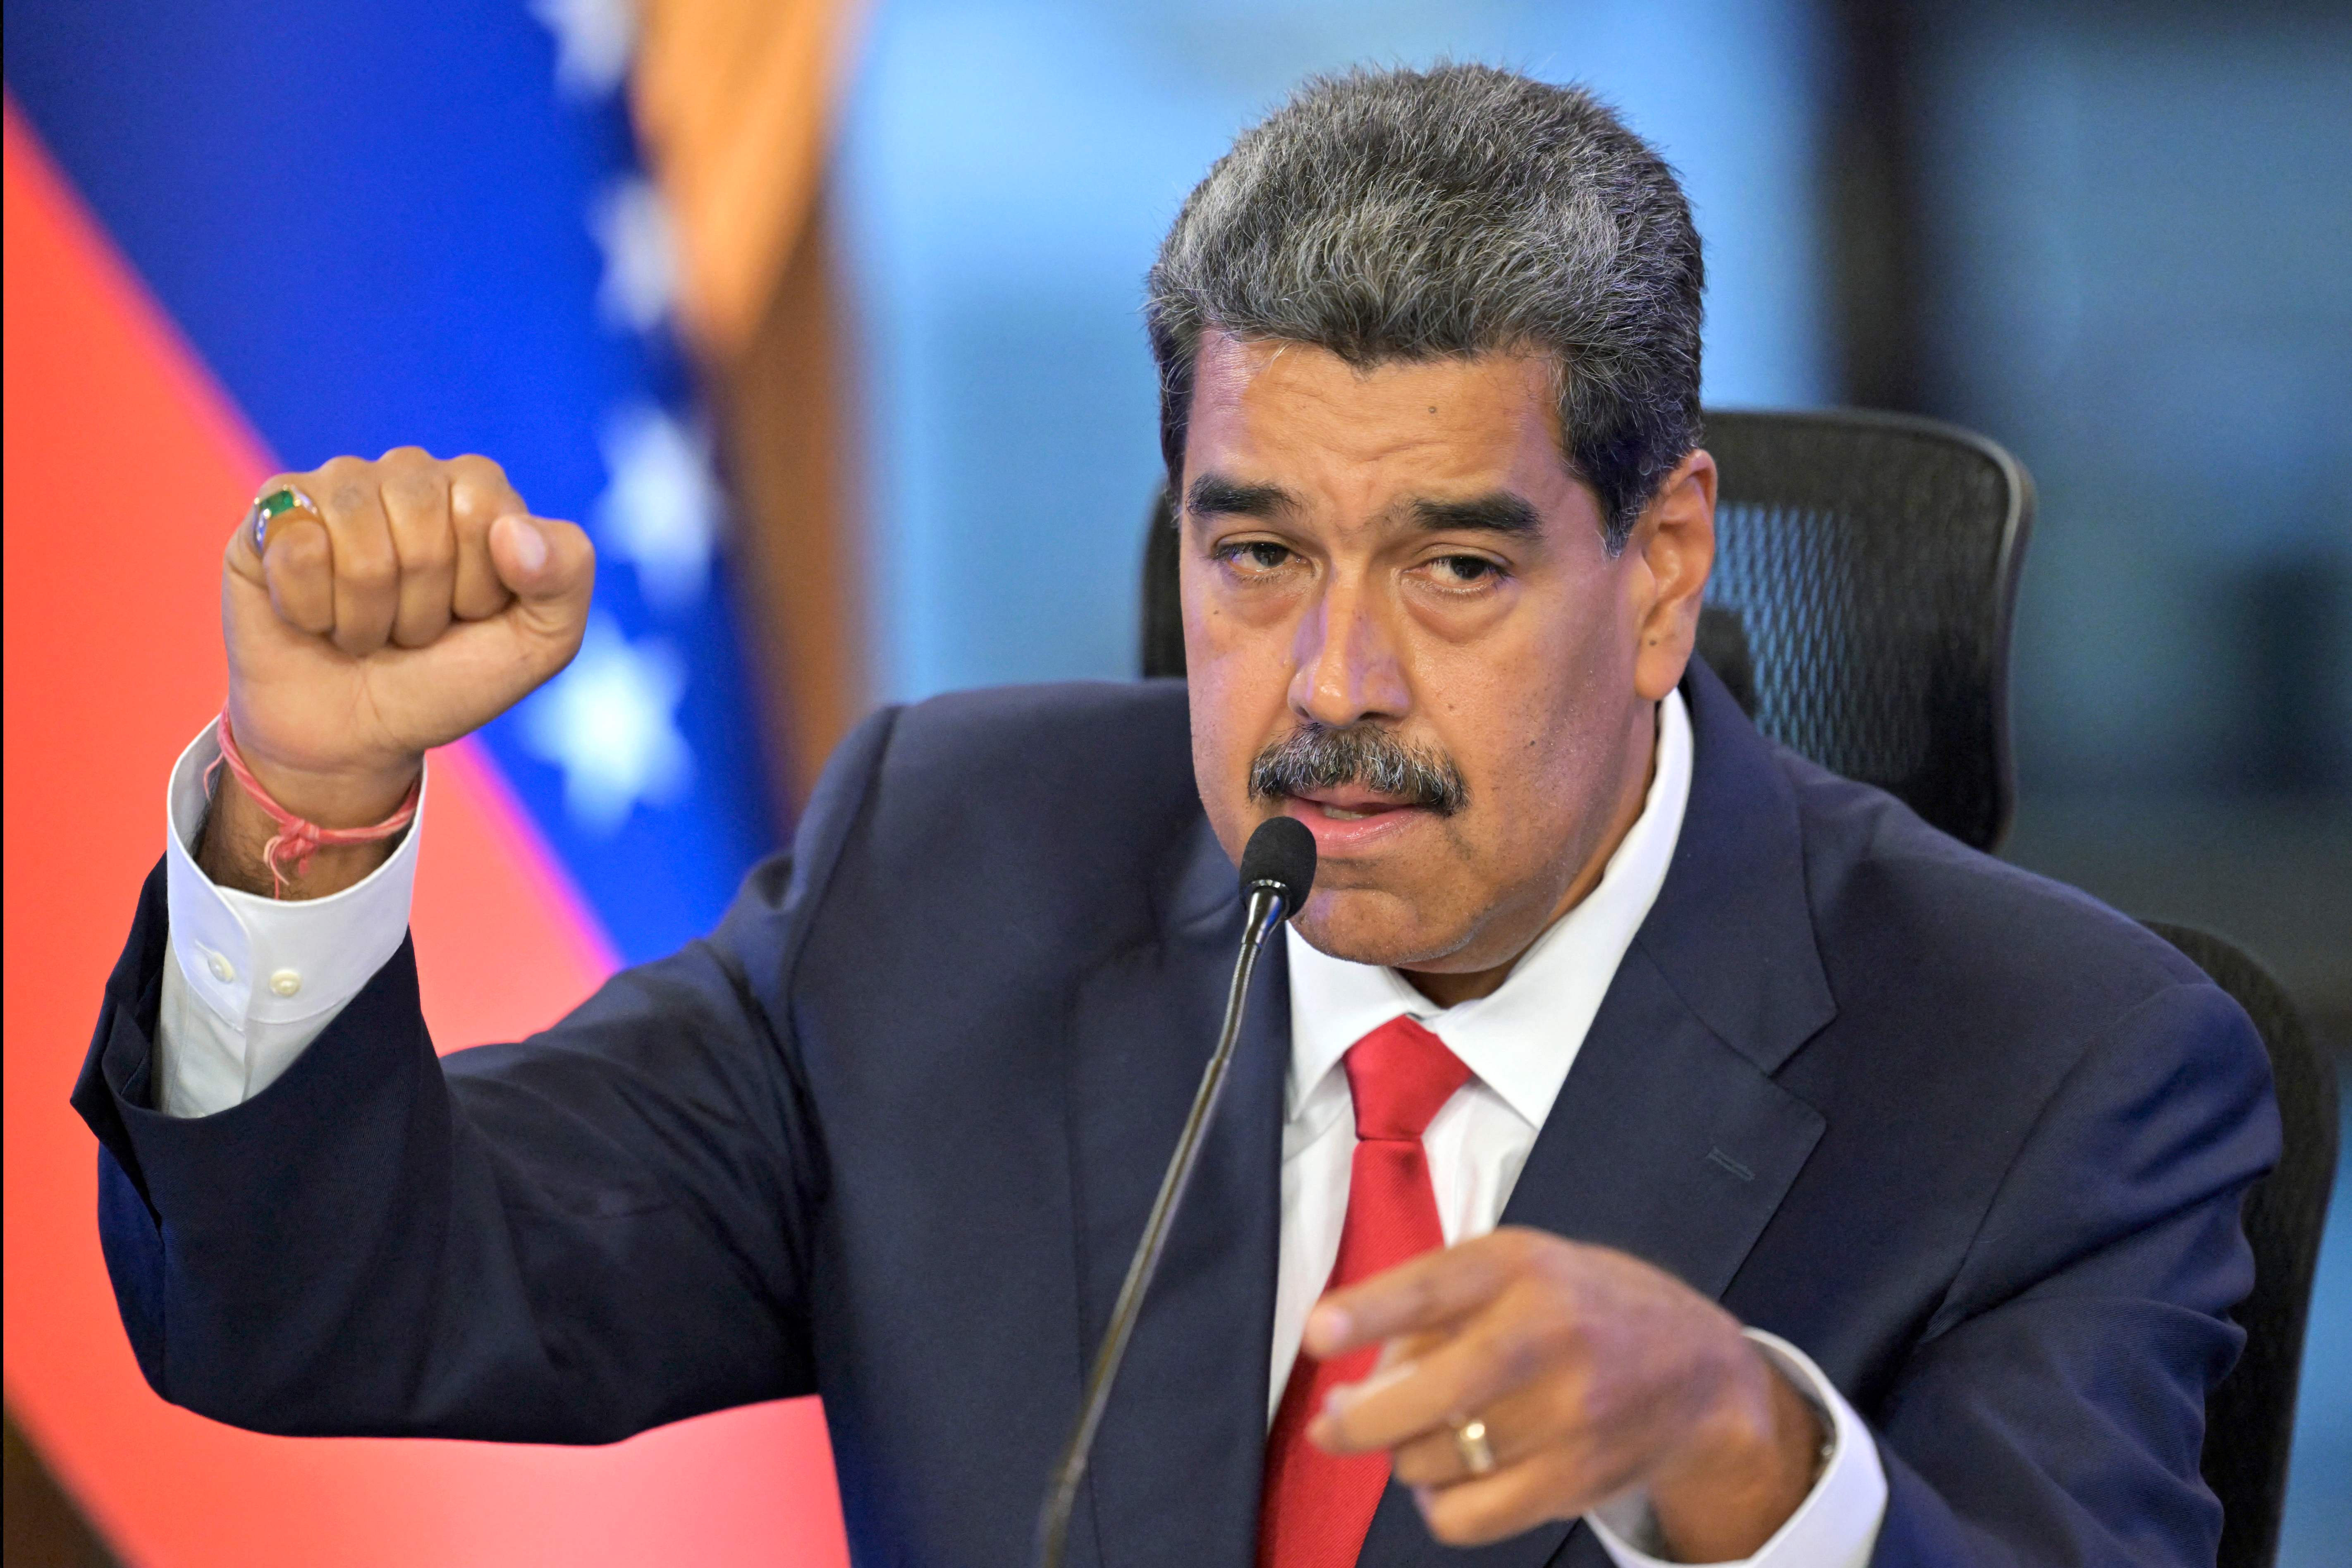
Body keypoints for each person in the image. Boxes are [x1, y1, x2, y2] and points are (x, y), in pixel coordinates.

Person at [75, 65, 2276, 1568]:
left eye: (1457, 567)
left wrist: (1733, 1451)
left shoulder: (2057, 1067)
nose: (1331, 685)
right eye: (1256, 556)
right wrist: (315, 806)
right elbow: (318, 1317)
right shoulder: (948, 863)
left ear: (1666, 563)